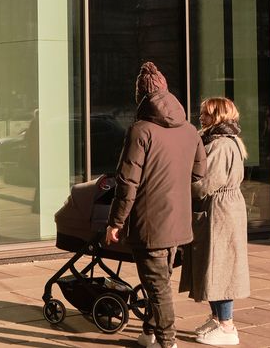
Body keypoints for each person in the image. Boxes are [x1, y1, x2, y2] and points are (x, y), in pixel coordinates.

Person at [104, 62, 207, 348]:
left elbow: (127, 181)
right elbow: (199, 174)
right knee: (160, 281)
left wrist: (115, 222)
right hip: (179, 220)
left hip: (150, 222)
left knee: (158, 286)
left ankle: (167, 341)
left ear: (141, 97)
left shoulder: (140, 130)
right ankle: (149, 333)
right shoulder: (190, 130)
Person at [183, 97, 250, 346]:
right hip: (220, 209)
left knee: (220, 267)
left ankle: (226, 325)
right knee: (214, 265)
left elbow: (204, 183)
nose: (201, 117)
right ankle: (217, 319)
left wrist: (180, 187)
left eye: (207, 114)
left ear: (219, 116)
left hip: (220, 211)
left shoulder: (220, 145)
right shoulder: (220, 141)